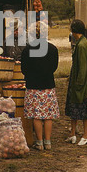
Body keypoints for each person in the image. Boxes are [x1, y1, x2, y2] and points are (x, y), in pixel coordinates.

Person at [21, 21, 60, 150]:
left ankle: (39, 143)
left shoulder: (27, 50)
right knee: (48, 116)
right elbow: (54, 67)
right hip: (48, 85)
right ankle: (48, 142)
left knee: (36, 116)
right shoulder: (53, 49)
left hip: (33, 86)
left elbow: (24, 69)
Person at [65, 19, 87, 146]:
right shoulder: (80, 42)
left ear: (73, 30)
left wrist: (78, 85)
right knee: (74, 109)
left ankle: (85, 135)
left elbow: (82, 69)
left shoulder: (82, 45)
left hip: (80, 85)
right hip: (76, 83)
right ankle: (72, 134)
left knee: (83, 110)